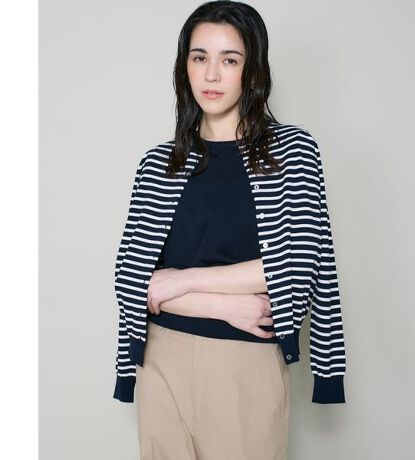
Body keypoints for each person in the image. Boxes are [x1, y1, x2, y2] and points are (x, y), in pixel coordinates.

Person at [113, 1, 347, 459]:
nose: (212, 74)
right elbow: (130, 279)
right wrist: (224, 305)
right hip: (160, 358)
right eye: (200, 57)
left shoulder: (291, 151)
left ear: (252, 70)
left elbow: (296, 265)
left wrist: (181, 280)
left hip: (245, 362)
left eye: (230, 59)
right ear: (184, 67)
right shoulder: (158, 164)